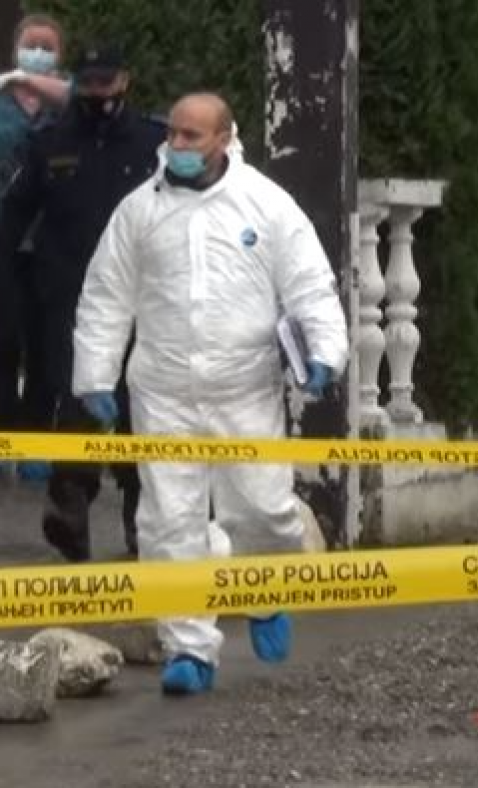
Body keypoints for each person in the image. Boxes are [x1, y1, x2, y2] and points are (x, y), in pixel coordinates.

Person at [71, 92, 349, 695]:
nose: (177, 145)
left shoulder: (266, 204)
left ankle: (265, 593)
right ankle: (188, 649)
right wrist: (94, 374)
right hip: (163, 391)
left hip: (245, 389)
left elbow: (309, 282)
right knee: (170, 520)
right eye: (173, 133)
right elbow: (106, 295)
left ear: (224, 138)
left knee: (263, 508)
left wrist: (325, 350)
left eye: (192, 136)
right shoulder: (139, 211)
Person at [0, 42, 165, 562]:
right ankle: (70, 504)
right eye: (87, 83)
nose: (96, 92)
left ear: (124, 81)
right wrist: (3, 287)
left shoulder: (153, 144)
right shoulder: (50, 144)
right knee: (75, 397)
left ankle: (139, 511)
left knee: (137, 404)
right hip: (68, 295)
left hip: (143, 300)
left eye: (104, 82)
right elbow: (12, 218)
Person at [0, 12, 69, 481]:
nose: (37, 52)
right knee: (3, 337)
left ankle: (37, 440)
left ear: (59, 55)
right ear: (15, 47)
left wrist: (30, 81)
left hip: (52, 237)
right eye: (30, 44)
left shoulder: (68, 97)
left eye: (47, 46)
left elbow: (79, 105)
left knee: (46, 341)